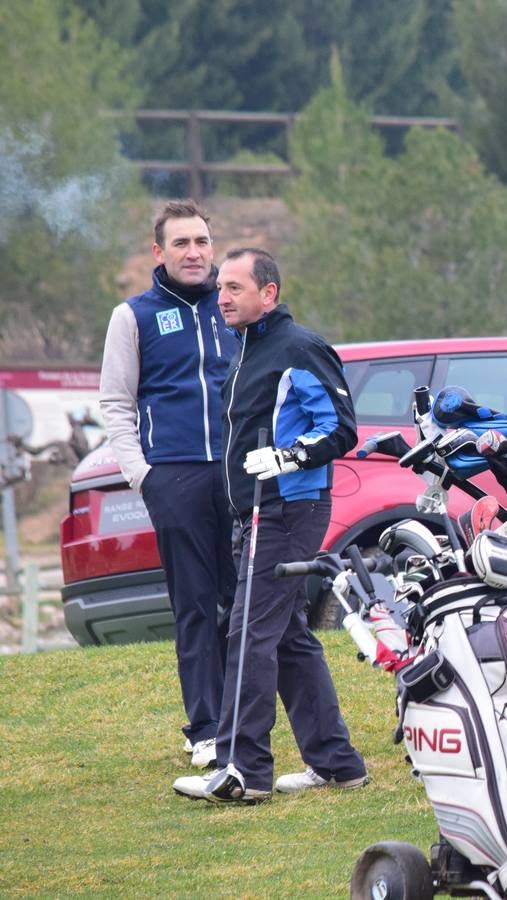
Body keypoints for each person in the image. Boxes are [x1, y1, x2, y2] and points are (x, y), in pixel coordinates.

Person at [172, 248, 367, 804]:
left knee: (248, 633)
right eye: (221, 288)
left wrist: (290, 457)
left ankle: (243, 771)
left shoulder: (298, 348)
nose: (223, 297)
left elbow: (341, 428)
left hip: (287, 509)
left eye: (235, 287)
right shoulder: (246, 350)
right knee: (285, 637)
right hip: (257, 511)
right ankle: (336, 762)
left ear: (269, 294)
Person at [99, 200, 239, 768]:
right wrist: (144, 476)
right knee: (197, 606)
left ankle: (244, 721)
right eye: (181, 243)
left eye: (202, 241)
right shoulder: (133, 316)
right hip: (174, 476)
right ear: (158, 252)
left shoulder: (234, 305)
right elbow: (115, 402)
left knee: (247, 602)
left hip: (237, 474)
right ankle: (205, 727)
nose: (194, 253)